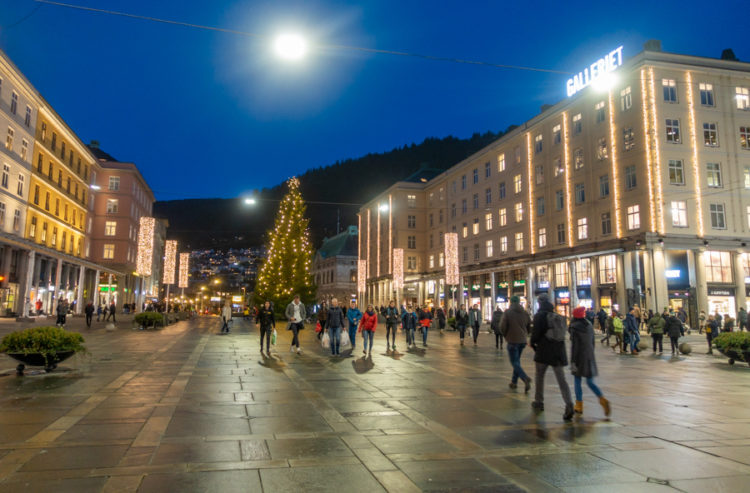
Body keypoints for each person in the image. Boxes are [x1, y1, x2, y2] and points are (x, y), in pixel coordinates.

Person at [530, 294, 574, 420]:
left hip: (544, 350)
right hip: (558, 352)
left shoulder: (540, 316)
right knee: (562, 380)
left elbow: (535, 334)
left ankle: (539, 401)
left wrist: (533, 343)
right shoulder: (557, 316)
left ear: (540, 303)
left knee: (539, 376)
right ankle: (569, 403)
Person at [569, 306, 611, 417]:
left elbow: (575, 346)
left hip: (578, 357)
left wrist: (573, 361)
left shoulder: (574, 327)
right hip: (589, 356)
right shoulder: (589, 325)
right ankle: (602, 399)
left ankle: (579, 405)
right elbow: (592, 342)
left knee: (577, 381)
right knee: (590, 382)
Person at [500, 295, 532, 393]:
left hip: (512, 340)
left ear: (511, 302)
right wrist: (525, 334)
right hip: (522, 341)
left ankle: (525, 378)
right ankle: (514, 382)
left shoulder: (508, 313)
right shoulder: (524, 313)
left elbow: (502, 326)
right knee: (517, 361)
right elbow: (529, 325)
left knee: (514, 362)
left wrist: (506, 335)